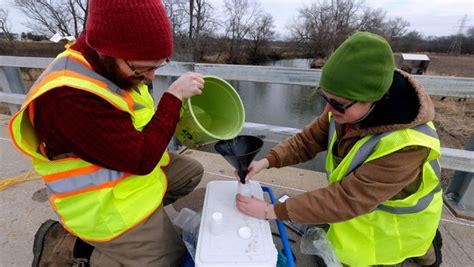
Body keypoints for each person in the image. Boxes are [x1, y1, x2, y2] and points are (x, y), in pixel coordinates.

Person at [9, 0, 205, 266]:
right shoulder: (70, 98)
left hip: (125, 169)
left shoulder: (107, 62)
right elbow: (141, 160)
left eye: (158, 65)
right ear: (107, 51)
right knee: (171, 259)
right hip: (99, 205)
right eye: (143, 68)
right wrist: (173, 98)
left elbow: (138, 126)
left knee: (190, 172)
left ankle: (135, 240)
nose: (151, 77)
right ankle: (86, 250)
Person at [235, 32, 443, 266]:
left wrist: (270, 211)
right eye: (325, 96)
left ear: (374, 99)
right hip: (359, 211)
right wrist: (266, 161)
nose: (328, 109)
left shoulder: (407, 147)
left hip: (396, 226)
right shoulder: (344, 110)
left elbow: (346, 199)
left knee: (418, 250)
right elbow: (307, 141)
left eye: (337, 103)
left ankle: (428, 254)